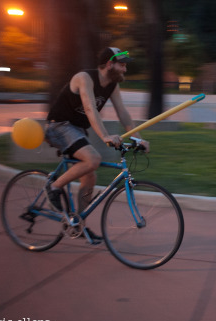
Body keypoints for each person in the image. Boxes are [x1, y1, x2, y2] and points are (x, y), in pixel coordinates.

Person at [45, 47, 149, 241]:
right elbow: (89, 108)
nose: (125, 70)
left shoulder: (112, 85)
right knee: (93, 159)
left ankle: (77, 225)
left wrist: (138, 138)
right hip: (59, 126)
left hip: (77, 129)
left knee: (90, 177)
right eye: (122, 65)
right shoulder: (84, 78)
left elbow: (123, 113)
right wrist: (105, 136)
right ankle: (54, 186)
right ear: (109, 64)